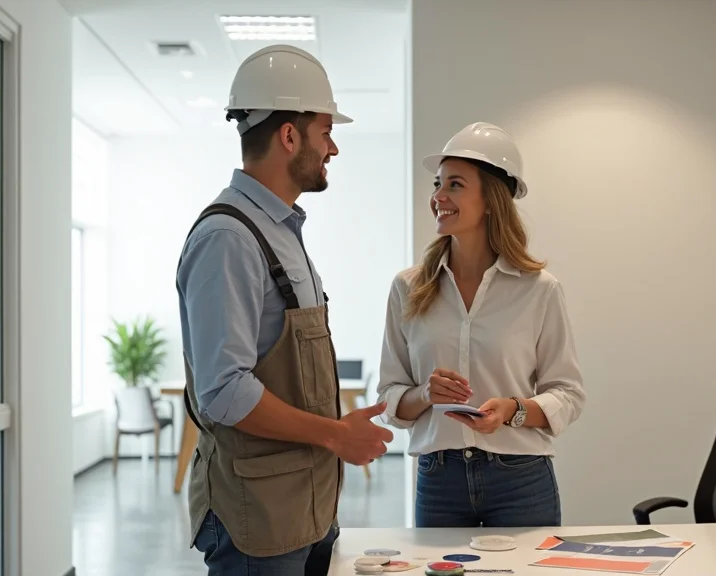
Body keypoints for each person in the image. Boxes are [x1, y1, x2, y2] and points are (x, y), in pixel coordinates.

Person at [176, 44, 393, 575]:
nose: (333, 148)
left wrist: (334, 428)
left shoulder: (280, 230)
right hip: (256, 520)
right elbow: (224, 391)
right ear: (289, 135)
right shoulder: (228, 237)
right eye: (325, 131)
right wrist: (335, 433)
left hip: (303, 507)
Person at [376, 122, 586, 528]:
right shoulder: (408, 287)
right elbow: (388, 395)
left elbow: (569, 393)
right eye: (438, 184)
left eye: (455, 185)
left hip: (521, 479)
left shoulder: (539, 290)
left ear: (491, 199)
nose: (438, 197)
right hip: (439, 479)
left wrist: (514, 411)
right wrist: (425, 394)